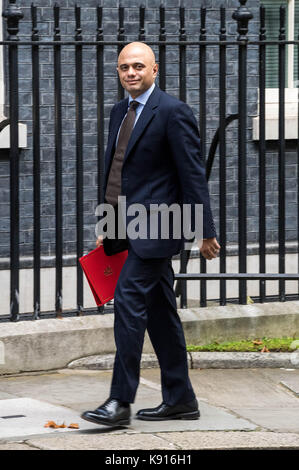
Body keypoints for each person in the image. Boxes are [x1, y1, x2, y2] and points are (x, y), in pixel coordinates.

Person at [81, 42, 220, 427]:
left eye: (138, 66)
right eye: (124, 67)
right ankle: (181, 399)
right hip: (125, 228)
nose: (131, 73)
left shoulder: (173, 112)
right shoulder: (118, 112)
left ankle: (119, 402)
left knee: (128, 306)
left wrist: (203, 231)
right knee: (161, 315)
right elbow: (116, 174)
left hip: (158, 229)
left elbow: (192, 176)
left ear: (154, 70)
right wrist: (106, 228)